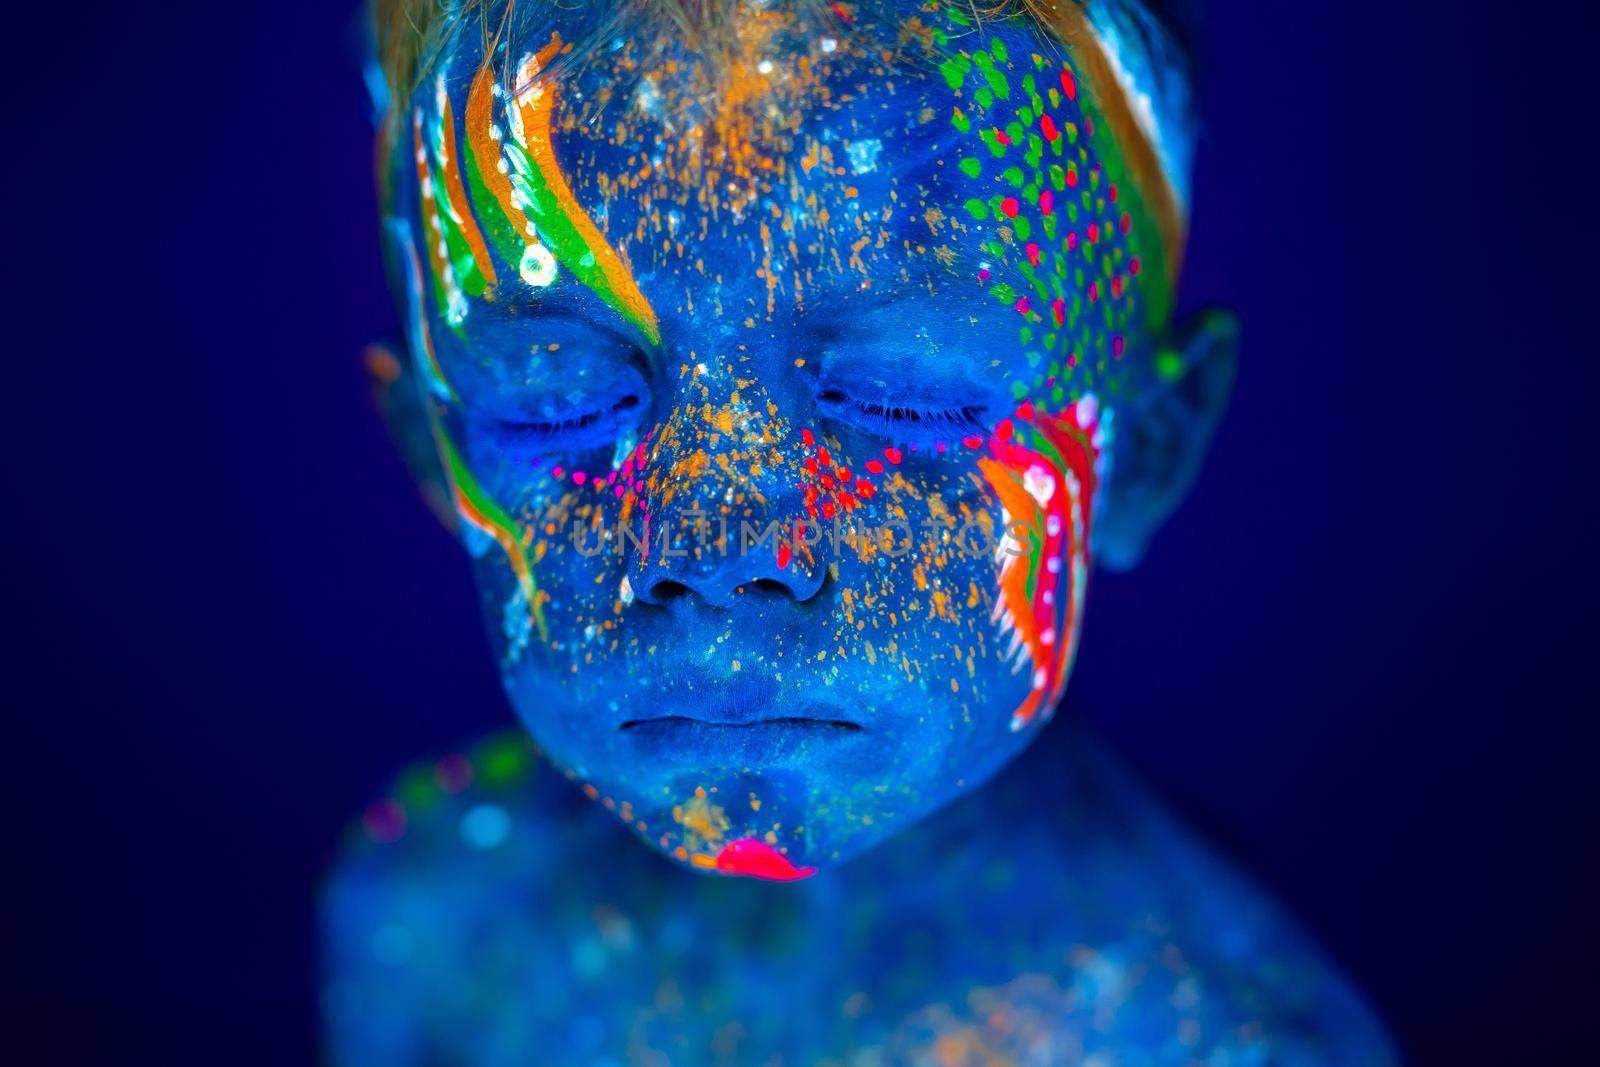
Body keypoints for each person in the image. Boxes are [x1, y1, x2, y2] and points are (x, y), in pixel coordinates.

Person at [323, 2, 1397, 1061]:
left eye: (902, 395)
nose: (713, 544)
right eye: (556, 397)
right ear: (432, 443)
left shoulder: (1232, 1040)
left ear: (1148, 448)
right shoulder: (427, 924)